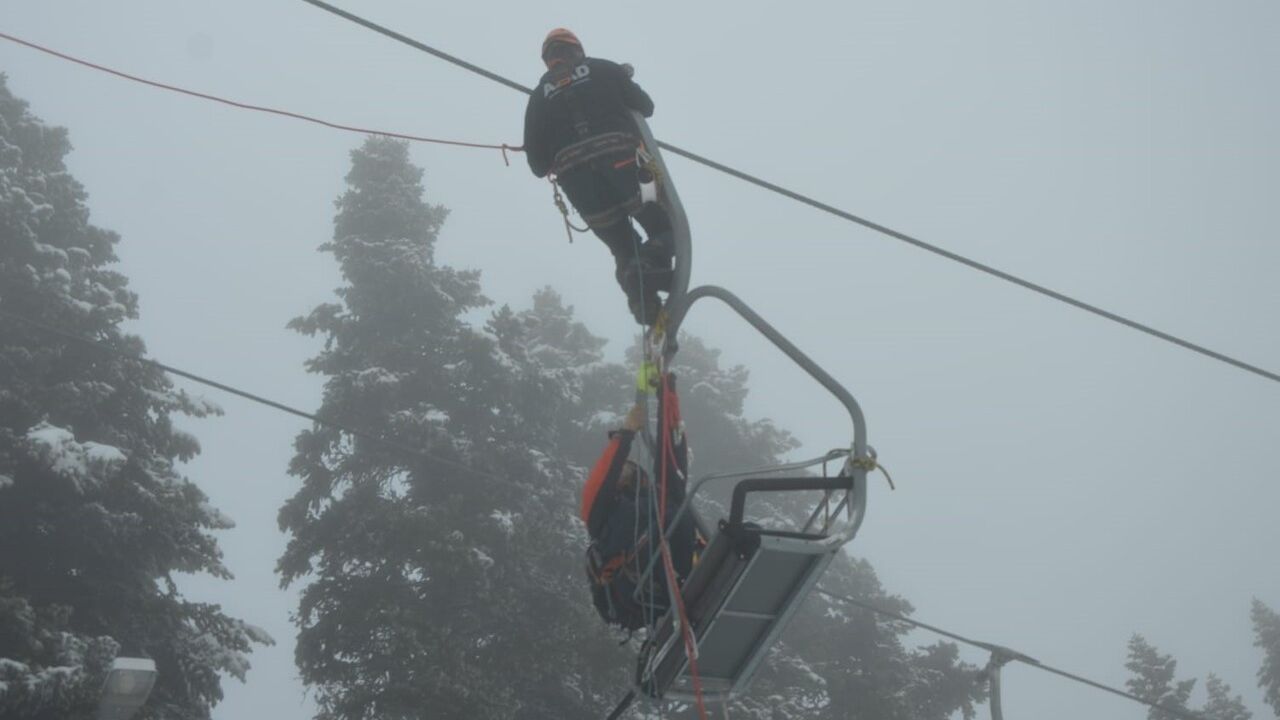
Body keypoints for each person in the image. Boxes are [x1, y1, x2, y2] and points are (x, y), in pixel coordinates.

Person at [523, 28, 674, 325]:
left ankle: (642, 300)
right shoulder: (604, 68)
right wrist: (622, 79)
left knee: (621, 247)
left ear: (548, 59)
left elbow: (538, 165)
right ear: (577, 49)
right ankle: (647, 264)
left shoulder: (538, 97)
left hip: (579, 185)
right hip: (625, 165)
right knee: (663, 226)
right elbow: (646, 107)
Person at [580, 398, 695, 630]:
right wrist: (627, 433)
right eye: (622, 469)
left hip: (666, 567)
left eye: (629, 469)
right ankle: (682, 584)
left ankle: (693, 574)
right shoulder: (601, 515)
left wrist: (667, 394)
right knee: (664, 523)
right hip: (633, 586)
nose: (624, 469)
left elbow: (673, 463)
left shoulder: (653, 499)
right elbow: (603, 478)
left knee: (676, 509)